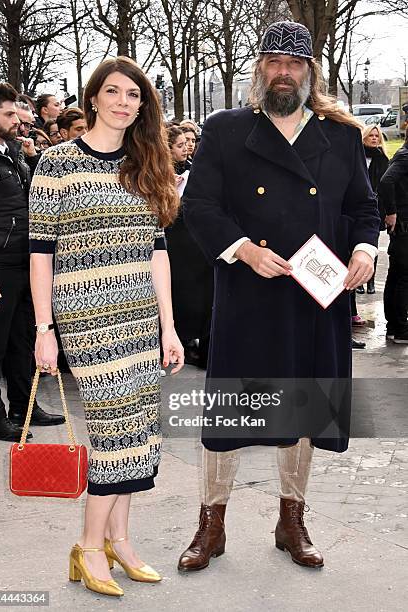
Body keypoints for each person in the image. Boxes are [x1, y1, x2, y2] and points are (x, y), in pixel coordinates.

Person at [179, 21, 380, 572]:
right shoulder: (224, 129)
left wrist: (365, 250)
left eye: (293, 64)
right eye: (273, 62)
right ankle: (211, 524)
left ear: (309, 72)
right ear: (259, 70)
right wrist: (243, 249)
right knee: (229, 414)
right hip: (249, 293)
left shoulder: (339, 135)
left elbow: (364, 208)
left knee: (305, 405)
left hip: (315, 296)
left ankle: (291, 519)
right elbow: (198, 206)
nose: (283, 73)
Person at [29, 56, 184, 597]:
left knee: (139, 430)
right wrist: (43, 326)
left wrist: (169, 326)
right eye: (113, 92)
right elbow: (41, 253)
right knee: (115, 432)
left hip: (141, 316)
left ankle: (120, 539)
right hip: (87, 319)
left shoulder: (146, 164)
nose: (124, 101)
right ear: (93, 97)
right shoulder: (57, 164)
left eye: (134, 95)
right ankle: (90, 546)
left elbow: (157, 251)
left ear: (143, 106)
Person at [0, 83, 64, 442]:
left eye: (18, 113)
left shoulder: (13, 152)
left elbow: (31, 200)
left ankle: (24, 406)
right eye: (9, 114)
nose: (18, 120)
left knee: (22, 341)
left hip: (23, 262)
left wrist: (30, 158)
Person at [165, 125, 213, 369]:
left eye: (190, 143)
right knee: (181, 294)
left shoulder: (192, 168)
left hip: (195, 240)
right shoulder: (160, 171)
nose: (188, 148)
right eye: (181, 145)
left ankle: (198, 343)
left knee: (200, 295)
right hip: (173, 240)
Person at [379, 126, 408, 343]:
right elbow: (386, 181)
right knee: (401, 279)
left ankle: (394, 326)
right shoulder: (405, 156)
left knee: (397, 277)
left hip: (402, 226)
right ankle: (399, 329)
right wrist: (391, 212)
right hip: (403, 227)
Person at [355, 125, 389, 294]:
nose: (374, 138)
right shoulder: (357, 154)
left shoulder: (383, 159)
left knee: (371, 244)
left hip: (376, 207)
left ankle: (371, 280)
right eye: (371, 135)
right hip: (358, 206)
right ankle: (359, 280)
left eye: (377, 136)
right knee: (357, 243)